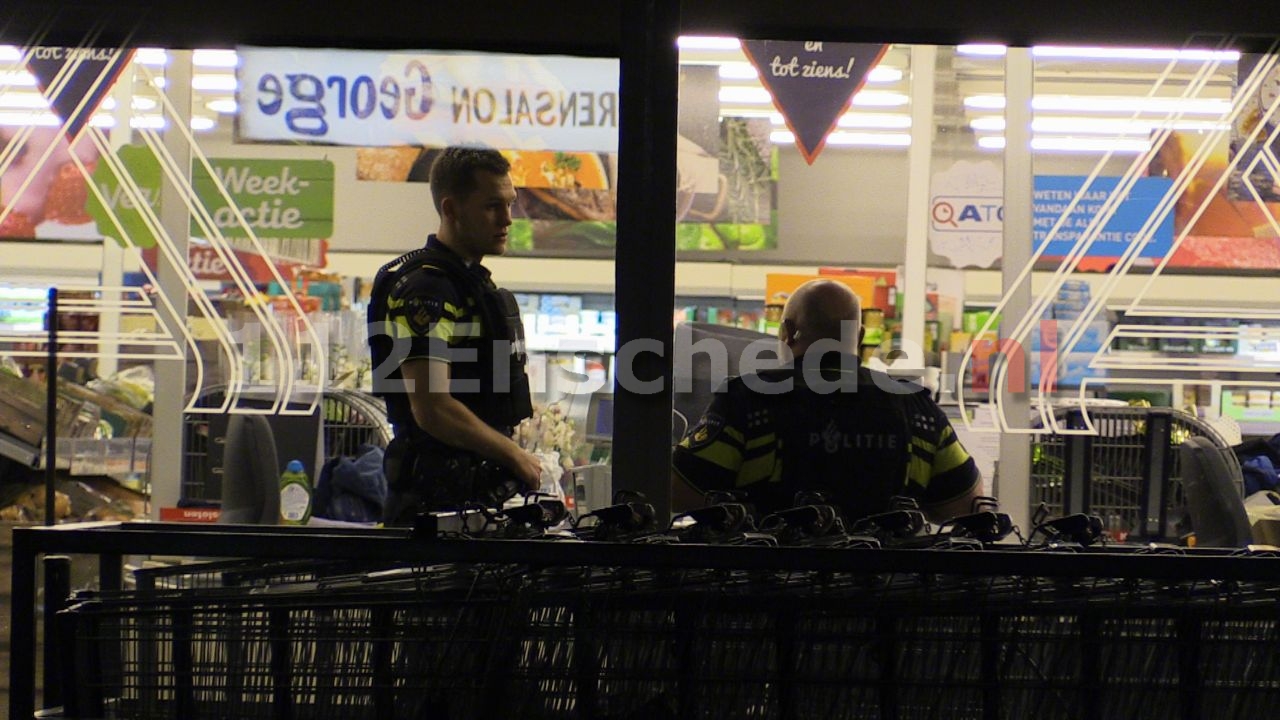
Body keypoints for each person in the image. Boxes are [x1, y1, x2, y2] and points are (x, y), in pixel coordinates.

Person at [672, 279, 981, 524]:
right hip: (885, 592)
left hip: (770, 586)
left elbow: (681, 489)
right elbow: (968, 504)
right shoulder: (915, 406)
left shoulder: (746, 400)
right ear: (858, 336)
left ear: (787, 332)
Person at [368, 146, 543, 524]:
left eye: (510, 204)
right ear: (451, 209)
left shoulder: (466, 284)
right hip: (431, 507)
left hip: (467, 497)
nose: (507, 219)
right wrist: (515, 456)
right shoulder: (427, 290)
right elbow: (432, 408)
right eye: (491, 206)